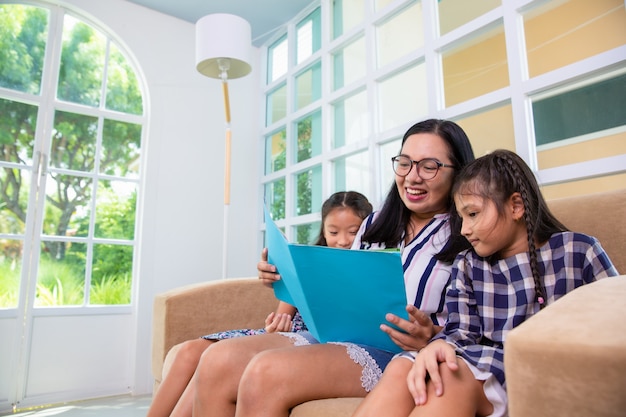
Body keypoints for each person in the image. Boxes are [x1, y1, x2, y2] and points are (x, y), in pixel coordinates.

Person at [182, 118, 475, 417]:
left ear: (458, 172)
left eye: (429, 166)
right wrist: (286, 276)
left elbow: (477, 328)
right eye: (405, 163)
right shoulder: (375, 223)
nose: (412, 177)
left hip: (398, 353)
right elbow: (343, 287)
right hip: (337, 336)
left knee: (264, 372)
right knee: (218, 359)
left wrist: (433, 334)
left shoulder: (470, 233)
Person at [352, 149, 618, 417]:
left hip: (533, 372)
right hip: (478, 363)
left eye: (473, 214)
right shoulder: (468, 263)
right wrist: (440, 345)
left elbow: (616, 319)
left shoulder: (578, 250)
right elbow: (460, 332)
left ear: (515, 206)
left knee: (450, 375)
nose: (464, 229)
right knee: (402, 368)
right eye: (461, 217)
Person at [147, 191, 373, 417]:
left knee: (217, 361)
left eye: (353, 232)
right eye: (333, 232)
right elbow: (280, 317)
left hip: (318, 343)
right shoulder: (307, 264)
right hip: (285, 334)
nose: (342, 241)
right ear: (323, 231)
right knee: (189, 351)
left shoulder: (375, 267)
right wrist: (277, 323)